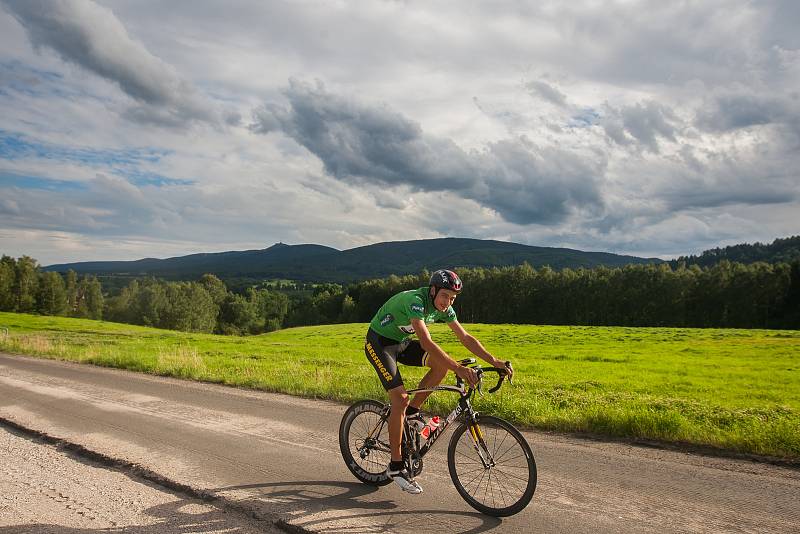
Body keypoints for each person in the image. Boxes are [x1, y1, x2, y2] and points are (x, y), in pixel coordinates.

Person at [364, 269, 513, 494]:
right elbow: (425, 342)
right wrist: (459, 369)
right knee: (400, 399)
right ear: (433, 290)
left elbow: (465, 338)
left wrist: (496, 361)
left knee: (439, 367)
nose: (448, 302)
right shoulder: (416, 302)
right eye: (445, 296)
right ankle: (395, 466)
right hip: (379, 343)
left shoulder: (445, 308)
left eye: (453, 298)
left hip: (401, 342)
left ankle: (413, 412)